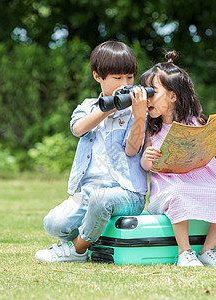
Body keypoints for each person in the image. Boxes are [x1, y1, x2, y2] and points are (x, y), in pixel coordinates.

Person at [35, 41, 149, 263]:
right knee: (53, 223)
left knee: (100, 200)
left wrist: (139, 115)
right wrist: (110, 107)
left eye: (130, 77)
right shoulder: (88, 107)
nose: (125, 84)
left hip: (127, 193)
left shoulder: (137, 111)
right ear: (98, 76)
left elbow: (132, 148)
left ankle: (77, 250)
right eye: (118, 78)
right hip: (90, 191)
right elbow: (78, 129)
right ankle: (94, 238)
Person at [139, 50, 216, 267]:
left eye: (152, 92)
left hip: (200, 177)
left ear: (173, 96)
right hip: (168, 184)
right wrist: (148, 157)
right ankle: (185, 252)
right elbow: (146, 165)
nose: (147, 98)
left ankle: (208, 250)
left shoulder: (195, 121)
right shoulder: (151, 128)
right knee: (179, 193)